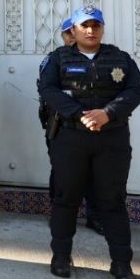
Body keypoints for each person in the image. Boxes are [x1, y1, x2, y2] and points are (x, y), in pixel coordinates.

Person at [38, 5, 140, 279]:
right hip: (71, 137)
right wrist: (80, 114)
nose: (90, 30)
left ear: (102, 28)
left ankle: (121, 264)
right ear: (73, 30)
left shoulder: (119, 58)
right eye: (84, 26)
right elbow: (47, 90)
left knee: (112, 200)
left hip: (111, 138)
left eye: (95, 25)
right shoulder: (58, 59)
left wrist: (107, 113)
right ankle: (61, 257)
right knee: (66, 197)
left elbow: (136, 90)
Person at [40, 18, 103, 236]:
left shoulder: (100, 58)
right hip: (61, 125)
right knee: (61, 173)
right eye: (67, 33)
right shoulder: (54, 59)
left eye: (72, 32)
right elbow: (47, 91)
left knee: (96, 173)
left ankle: (95, 216)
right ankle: (60, 216)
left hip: (94, 125)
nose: (70, 37)